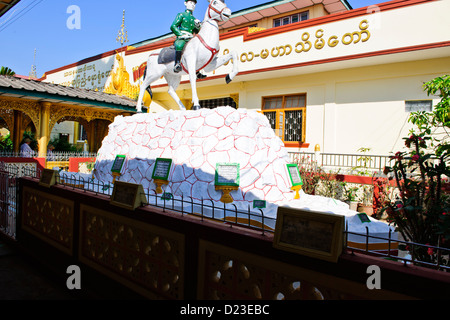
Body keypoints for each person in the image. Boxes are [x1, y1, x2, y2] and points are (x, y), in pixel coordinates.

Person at [170, 0, 207, 79]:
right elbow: (173, 26)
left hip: (190, 38)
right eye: (191, 3)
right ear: (185, 3)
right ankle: (177, 64)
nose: (193, 5)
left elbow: (196, 32)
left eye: (194, 4)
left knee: (198, 48)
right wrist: (181, 34)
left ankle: (197, 71)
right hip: (182, 37)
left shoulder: (194, 19)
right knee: (180, 45)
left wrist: (197, 26)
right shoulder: (181, 15)